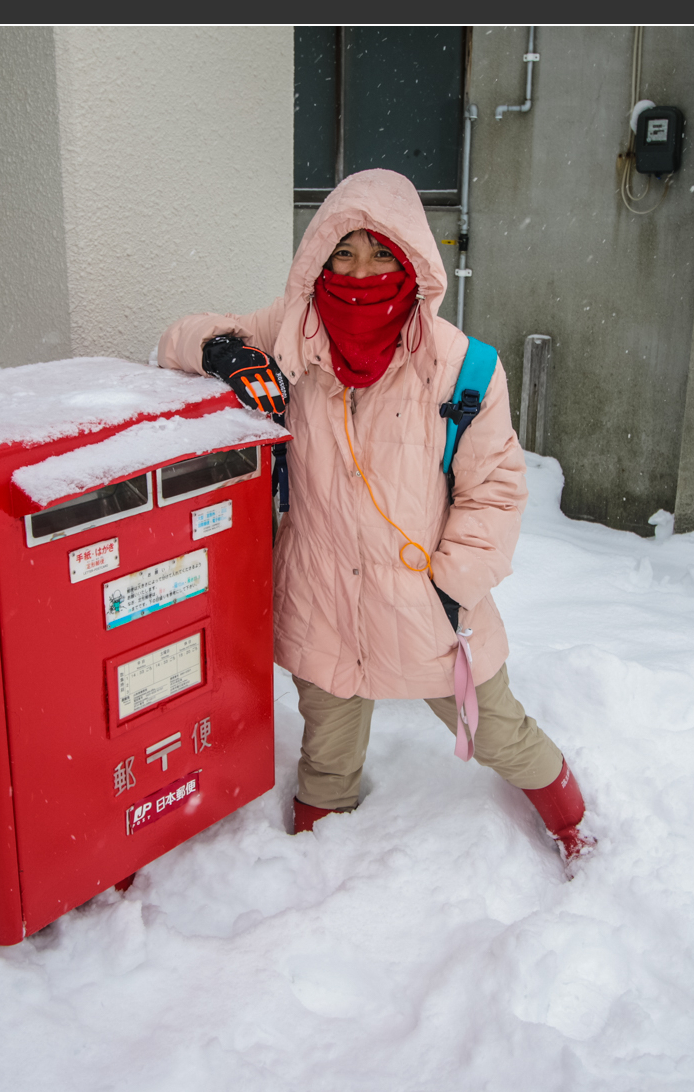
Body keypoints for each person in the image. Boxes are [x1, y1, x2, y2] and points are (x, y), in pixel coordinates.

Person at [157, 169, 594, 870]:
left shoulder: (462, 367)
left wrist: (449, 588)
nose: (361, 272)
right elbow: (175, 338)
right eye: (344, 253)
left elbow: (497, 492)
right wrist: (223, 349)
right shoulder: (289, 333)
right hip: (323, 599)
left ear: (413, 260)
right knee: (326, 752)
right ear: (318, 259)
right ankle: (313, 878)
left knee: (498, 734)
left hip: (429, 608)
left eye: (382, 253)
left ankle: (574, 821)